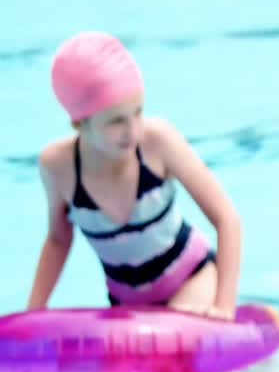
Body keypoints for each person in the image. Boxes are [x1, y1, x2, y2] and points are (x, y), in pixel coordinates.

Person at [29, 31, 241, 318]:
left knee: (176, 343)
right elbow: (58, 239)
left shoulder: (158, 142)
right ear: (79, 123)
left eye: (138, 112)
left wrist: (223, 307)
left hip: (191, 279)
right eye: (116, 121)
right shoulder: (59, 167)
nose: (133, 131)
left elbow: (227, 219)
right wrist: (34, 311)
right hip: (126, 304)